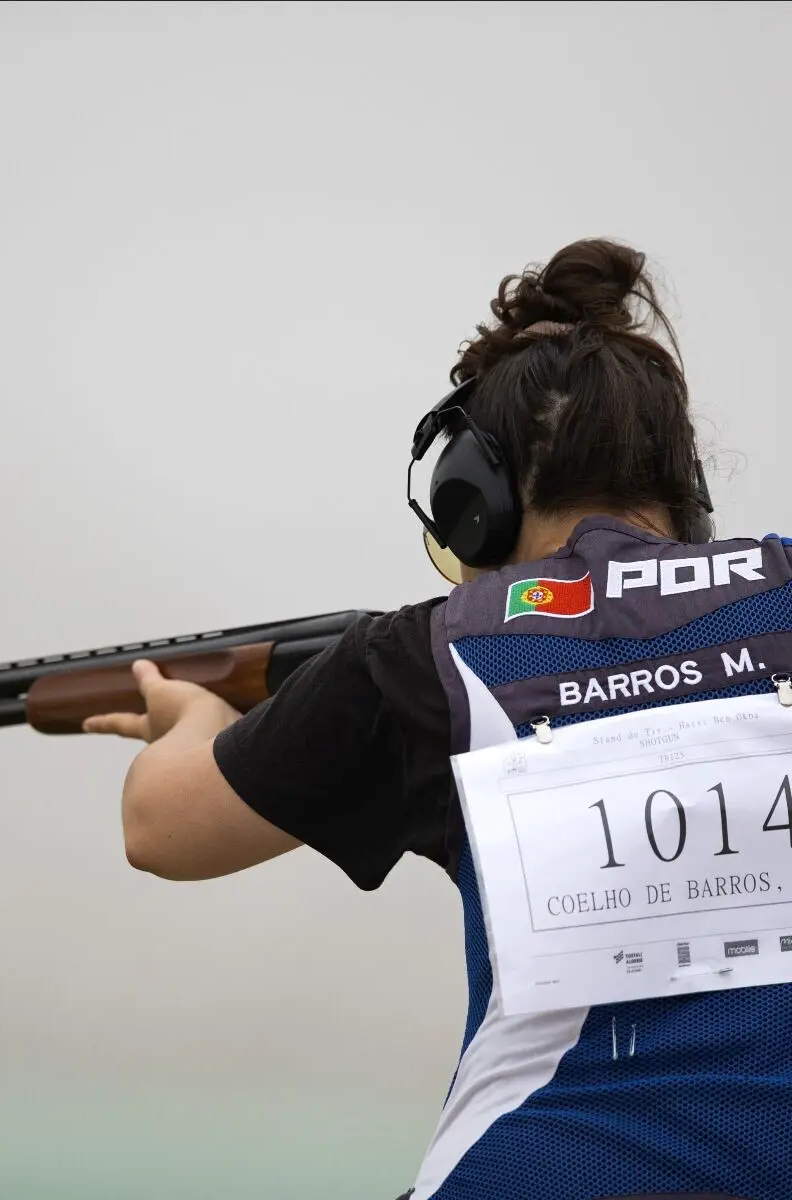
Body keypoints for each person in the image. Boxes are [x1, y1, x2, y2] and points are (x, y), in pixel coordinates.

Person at [83, 238, 791, 1200]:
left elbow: (161, 827)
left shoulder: (429, 658)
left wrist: (192, 718)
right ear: (687, 490)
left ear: (476, 504)